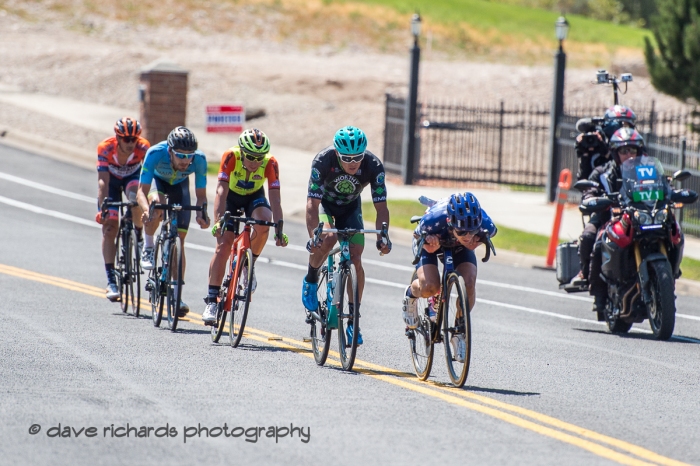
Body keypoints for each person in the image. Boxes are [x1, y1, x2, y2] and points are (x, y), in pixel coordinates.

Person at [301, 126, 392, 345]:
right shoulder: (323, 161)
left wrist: (383, 236)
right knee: (328, 239)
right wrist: (315, 235)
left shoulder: (374, 165)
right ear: (337, 154)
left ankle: (353, 321)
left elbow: (381, 209)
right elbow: (312, 205)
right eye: (347, 158)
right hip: (326, 206)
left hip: (351, 209)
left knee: (356, 258)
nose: (353, 162)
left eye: (358, 157)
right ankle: (311, 279)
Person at [202, 129, 288, 325]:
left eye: (259, 157)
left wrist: (279, 228)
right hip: (230, 198)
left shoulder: (271, 162)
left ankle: (248, 265)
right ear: (242, 151)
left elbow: (275, 198)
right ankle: (212, 301)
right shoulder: (231, 155)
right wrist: (218, 221)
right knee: (224, 245)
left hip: (254, 197)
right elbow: (221, 191)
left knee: (264, 220)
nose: (254, 161)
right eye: (250, 156)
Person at [402, 192, 496, 362]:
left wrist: (479, 239)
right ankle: (410, 295)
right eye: (462, 231)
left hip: (458, 247)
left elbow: (490, 233)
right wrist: (430, 242)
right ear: (450, 222)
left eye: (472, 231)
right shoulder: (434, 220)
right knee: (430, 286)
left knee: (468, 282)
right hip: (432, 240)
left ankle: (459, 331)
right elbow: (417, 235)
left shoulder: (484, 222)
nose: (468, 236)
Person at [137, 126, 210, 316]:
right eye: (180, 155)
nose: (186, 161)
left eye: (189, 156)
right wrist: (146, 210)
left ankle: (177, 297)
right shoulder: (154, 153)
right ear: (170, 151)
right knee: (157, 207)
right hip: (157, 183)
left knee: (180, 241)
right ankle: (149, 246)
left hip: (179, 187)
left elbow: (201, 195)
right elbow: (140, 192)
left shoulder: (200, 160)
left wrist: (202, 213)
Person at [581, 127, 644, 314]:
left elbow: (663, 185)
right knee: (593, 238)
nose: (629, 154)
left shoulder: (646, 172)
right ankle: (598, 292)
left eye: (633, 150)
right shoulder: (603, 173)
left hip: (640, 218)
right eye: (624, 151)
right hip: (607, 217)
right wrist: (594, 198)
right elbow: (588, 192)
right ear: (616, 153)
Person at [96, 117, 150, 301]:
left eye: (134, 139)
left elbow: (149, 175)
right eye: (126, 139)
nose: (130, 143)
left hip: (131, 178)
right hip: (111, 182)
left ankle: (138, 233)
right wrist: (103, 205)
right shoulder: (105, 147)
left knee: (135, 199)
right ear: (118, 138)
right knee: (110, 228)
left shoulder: (144, 148)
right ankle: (111, 280)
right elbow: (103, 180)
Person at [574, 105, 637, 181]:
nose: (622, 131)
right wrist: (584, 155)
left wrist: (607, 152)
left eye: (626, 126)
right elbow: (584, 182)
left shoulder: (637, 147)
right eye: (620, 125)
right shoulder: (597, 144)